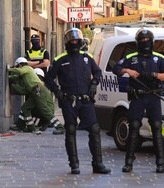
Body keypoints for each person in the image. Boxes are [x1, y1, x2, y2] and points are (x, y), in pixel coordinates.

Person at [45, 28, 111, 175]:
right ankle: (74, 164)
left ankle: (98, 164)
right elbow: (49, 78)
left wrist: (94, 83)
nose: (74, 42)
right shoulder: (60, 59)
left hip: (86, 100)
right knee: (71, 130)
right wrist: (57, 92)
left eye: (76, 40)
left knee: (94, 130)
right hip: (69, 101)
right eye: (72, 40)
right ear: (67, 42)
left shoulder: (87, 57)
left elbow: (98, 72)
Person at [112, 28, 164, 173]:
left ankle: (160, 163)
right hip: (137, 97)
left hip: (153, 97)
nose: (145, 43)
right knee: (133, 128)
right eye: (142, 41)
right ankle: (129, 162)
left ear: (152, 42)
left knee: (157, 128)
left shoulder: (159, 58)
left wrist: (156, 75)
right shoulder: (132, 57)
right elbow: (116, 68)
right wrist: (128, 71)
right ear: (138, 43)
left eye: (147, 40)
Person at [8, 57, 65, 134]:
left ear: (20, 65)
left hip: (38, 91)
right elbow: (24, 90)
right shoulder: (29, 78)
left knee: (44, 110)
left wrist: (9, 69)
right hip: (36, 92)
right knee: (25, 107)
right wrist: (13, 85)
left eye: (17, 66)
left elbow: (19, 71)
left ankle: (60, 127)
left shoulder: (27, 68)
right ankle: (27, 127)